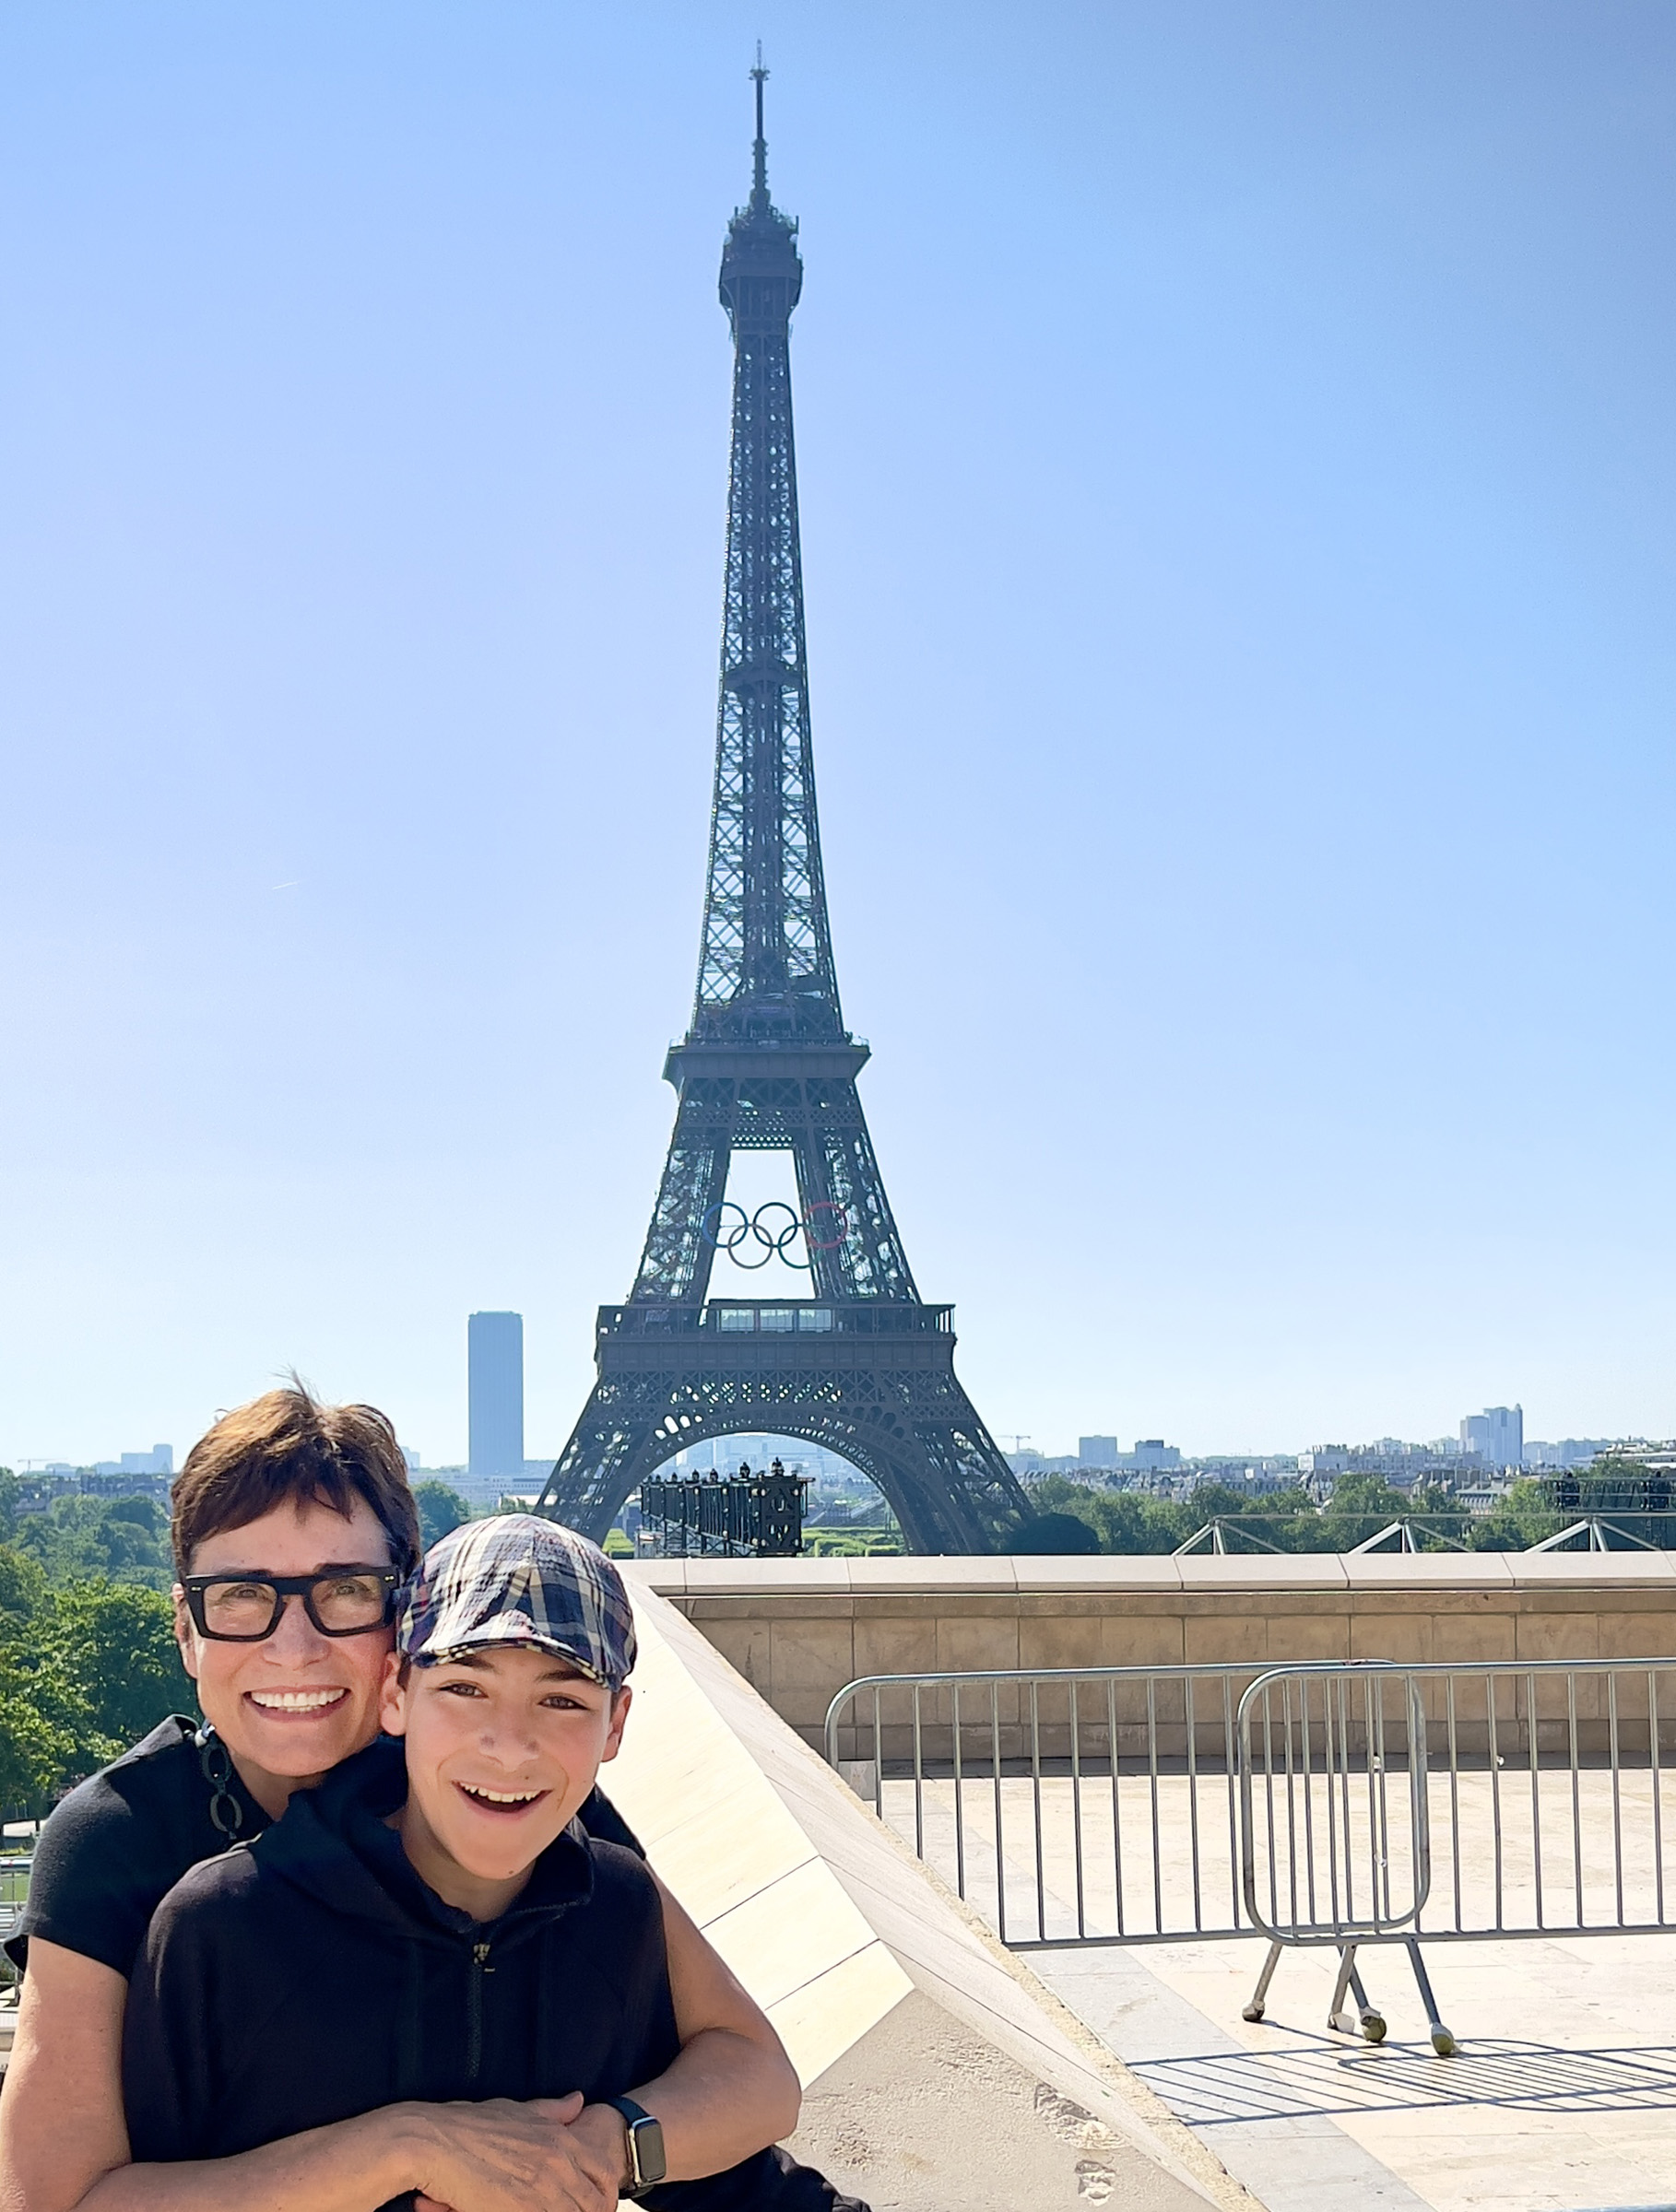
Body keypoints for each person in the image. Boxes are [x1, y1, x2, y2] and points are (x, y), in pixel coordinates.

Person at [0, 1387, 799, 2212]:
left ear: (403, 1619)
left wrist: (598, 2147)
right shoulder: (117, 1842)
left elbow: (748, 2068)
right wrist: (406, 2147)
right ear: (185, 1631)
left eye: (343, 1589)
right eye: (241, 1595)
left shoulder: (491, 1791)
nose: (293, 1647)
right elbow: (50, 2201)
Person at [122, 1515, 859, 2210]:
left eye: (563, 1702)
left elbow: (748, 2160)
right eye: (465, 1689)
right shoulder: (221, 1927)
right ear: (396, 1695)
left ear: (617, 1726)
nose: (509, 1745)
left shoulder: (611, 1904)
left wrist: (604, 2148)